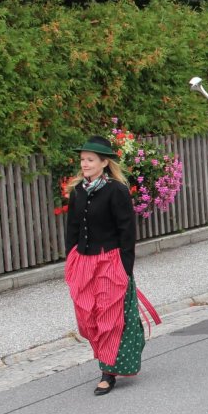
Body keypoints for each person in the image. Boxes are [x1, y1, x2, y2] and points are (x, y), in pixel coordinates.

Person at [64, 135, 143, 396]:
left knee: (108, 316)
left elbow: (127, 231)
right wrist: (72, 260)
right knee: (87, 317)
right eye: (82, 160)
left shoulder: (116, 191)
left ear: (104, 162)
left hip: (110, 261)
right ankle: (107, 360)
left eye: (90, 160)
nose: (84, 164)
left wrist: (125, 267)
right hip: (84, 262)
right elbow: (72, 229)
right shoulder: (77, 191)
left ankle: (107, 373)